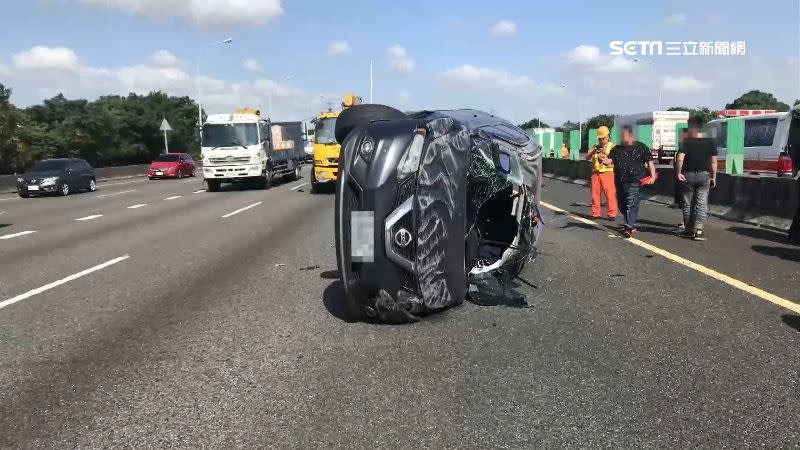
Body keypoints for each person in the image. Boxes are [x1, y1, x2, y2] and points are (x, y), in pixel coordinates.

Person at [606, 126, 656, 238]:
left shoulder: (641, 147)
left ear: (631, 135)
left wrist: (652, 176)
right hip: (619, 181)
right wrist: (603, 160)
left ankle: (628, 227)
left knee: (631, 204)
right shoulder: (616, 149)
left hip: (635, 181)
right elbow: (610, 161)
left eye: (624, 135)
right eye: (621, 135)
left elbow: (650, 162)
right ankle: (629, 224)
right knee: (622, 205)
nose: (622, 137)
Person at [675, 116, 718, 241]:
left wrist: (678, 172)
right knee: (701, 203)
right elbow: (714, 162)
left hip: (688, 175)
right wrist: (713, 177)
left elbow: (680, 158)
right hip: (704, 175)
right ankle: (699, 231)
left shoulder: (687, 142)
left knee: (688, 203)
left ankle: (688, 230)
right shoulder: (710, 142)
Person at [585, 125, 617, 220]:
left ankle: (612, 214)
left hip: (607, 173)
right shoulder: (595, 147)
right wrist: (594, 151)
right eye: (600, 138)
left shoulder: (613, 147)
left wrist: (604, 157)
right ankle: (595, 213)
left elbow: (615, 160)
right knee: (595, 194)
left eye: (603, 138)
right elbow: (587, 157)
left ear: (608, 136)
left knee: (610, 194)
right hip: (596, 174)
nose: (601, 140)